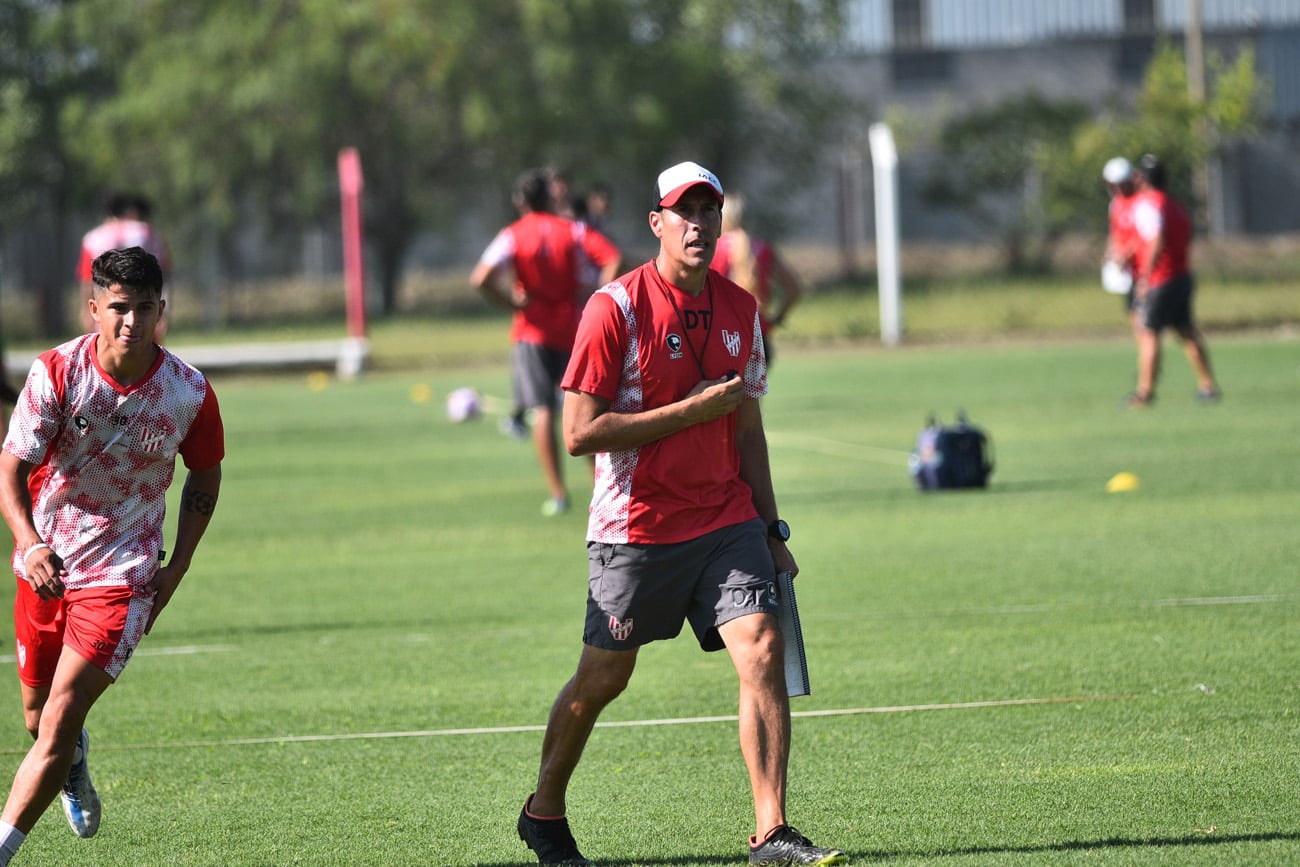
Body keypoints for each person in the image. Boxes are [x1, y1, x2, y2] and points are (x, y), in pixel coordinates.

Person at [515, 161, 847, 867]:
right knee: (605, 677)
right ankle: (544, 808)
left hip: (725, 517)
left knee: (762, 647)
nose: (698, 225)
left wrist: (770, 527)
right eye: (683, 212)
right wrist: (690, 410)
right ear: (656, 223)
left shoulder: (741, 309)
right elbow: (580, 431)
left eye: (709, 211)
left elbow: (748, 430)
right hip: (634, 527)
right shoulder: (616, 307)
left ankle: (772, 829)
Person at [0, 247, 224, 865]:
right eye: (118, 308)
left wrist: (173, 570)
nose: (131, 322)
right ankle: (74, 763)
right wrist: (31, 541)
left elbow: (205, 479)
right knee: (36, 716)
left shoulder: (189, 394)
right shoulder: (55, 373)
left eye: (144, 309)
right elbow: (11, 469)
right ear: (93, 307)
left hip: (122, 577)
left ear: (161, 310)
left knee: (61, 715)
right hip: (45, 567)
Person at [472, 169, 622, 516]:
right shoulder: (572, 229)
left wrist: (510, 302)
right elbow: (612, 257)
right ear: (550, 198)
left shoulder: (512, 234)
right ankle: (599, 491)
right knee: (588, 411)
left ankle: (557, 494)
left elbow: (480, 278)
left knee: (543, 412)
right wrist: (600, 297)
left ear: (520, 201)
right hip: (573, 327)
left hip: (532, 331)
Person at [1127, 154, 1220, 408]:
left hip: (1162, 278)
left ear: (1144, 178)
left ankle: (1144, 392)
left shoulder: (1149, 204)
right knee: (1187, 332)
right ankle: (1208, 385)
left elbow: (1156, 239)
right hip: (1182, 275)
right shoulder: (1176, 204)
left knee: (1148, 333)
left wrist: (1145, 275)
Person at [710, 192, 804, 366]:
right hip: (758, 334)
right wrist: (777, 318)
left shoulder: (712, 249)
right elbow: (794, 288)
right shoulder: (763, 249)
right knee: (751, 393)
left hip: (723, 338)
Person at [76, 193, 171, 340]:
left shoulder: (93, 237)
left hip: (109, 311)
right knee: (149, 357)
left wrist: (85, 311)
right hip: (144, 311)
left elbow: (87, 280)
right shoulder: (147, 232)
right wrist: (164, 312)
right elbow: (163, 273)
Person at [1101, 157, 1141, 336]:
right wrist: (1112, 253)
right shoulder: (1116, 204)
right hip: (1130, 270)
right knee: (1134, 315)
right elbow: (1116, 233)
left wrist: (1126, 253)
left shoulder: (1141, 203)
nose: (1116, 189)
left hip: (1145, 269)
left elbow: (1144, 236)